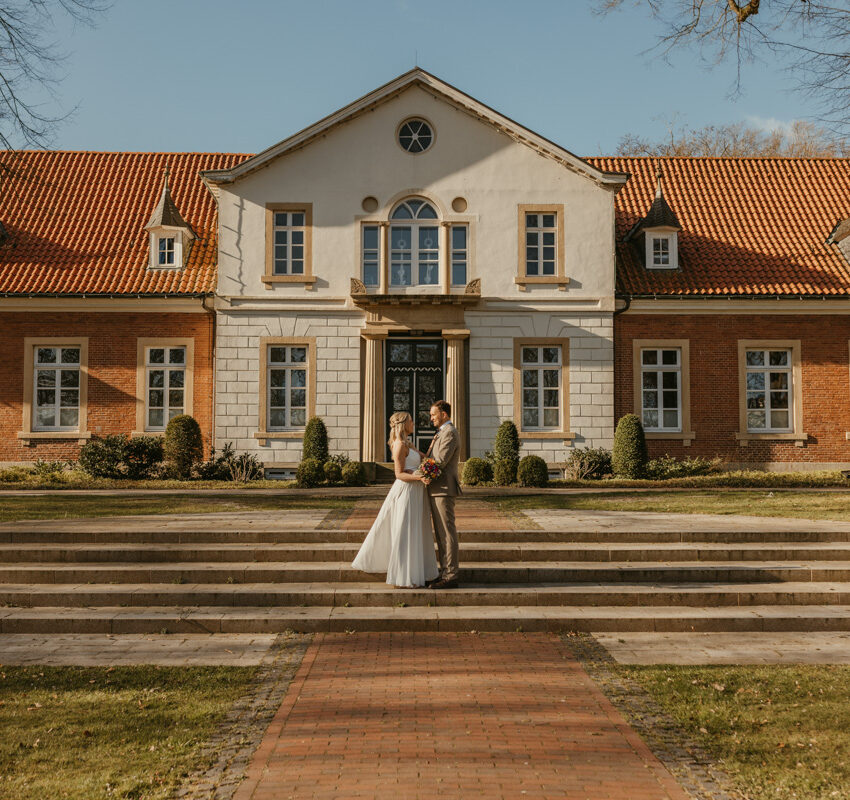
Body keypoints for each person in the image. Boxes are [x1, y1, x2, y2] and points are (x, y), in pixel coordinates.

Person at [351, 411, 440, 588]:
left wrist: (432, 448)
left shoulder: (409, 443)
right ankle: (404, 574)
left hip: (416, 492)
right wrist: (419, 477)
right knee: (406, 530)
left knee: (417, 530)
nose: (414, 424)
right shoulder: (399, 445)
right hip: (406, 492)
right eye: (411, 421)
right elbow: (399, 474)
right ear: (403, 424)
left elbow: (425, 459)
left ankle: (418, 570)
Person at [425, 400, 462, 589]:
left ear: (444, 415)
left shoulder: (450, 433)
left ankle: (451, 574)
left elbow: (439, 462)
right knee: (440, 534)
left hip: (444, 489)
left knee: (447, 533)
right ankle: (443, 571)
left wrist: (411, 476)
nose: (431, 418)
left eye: (433, 414)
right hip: (435, 489)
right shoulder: (441, 432)